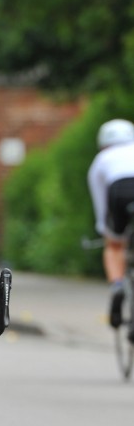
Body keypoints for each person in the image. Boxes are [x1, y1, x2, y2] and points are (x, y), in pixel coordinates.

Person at [87, 118, 134, 328]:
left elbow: (101, 203)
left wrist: (105, 230)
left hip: (119, 191)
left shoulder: (101, 159)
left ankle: (117, 286)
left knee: (114, 245)